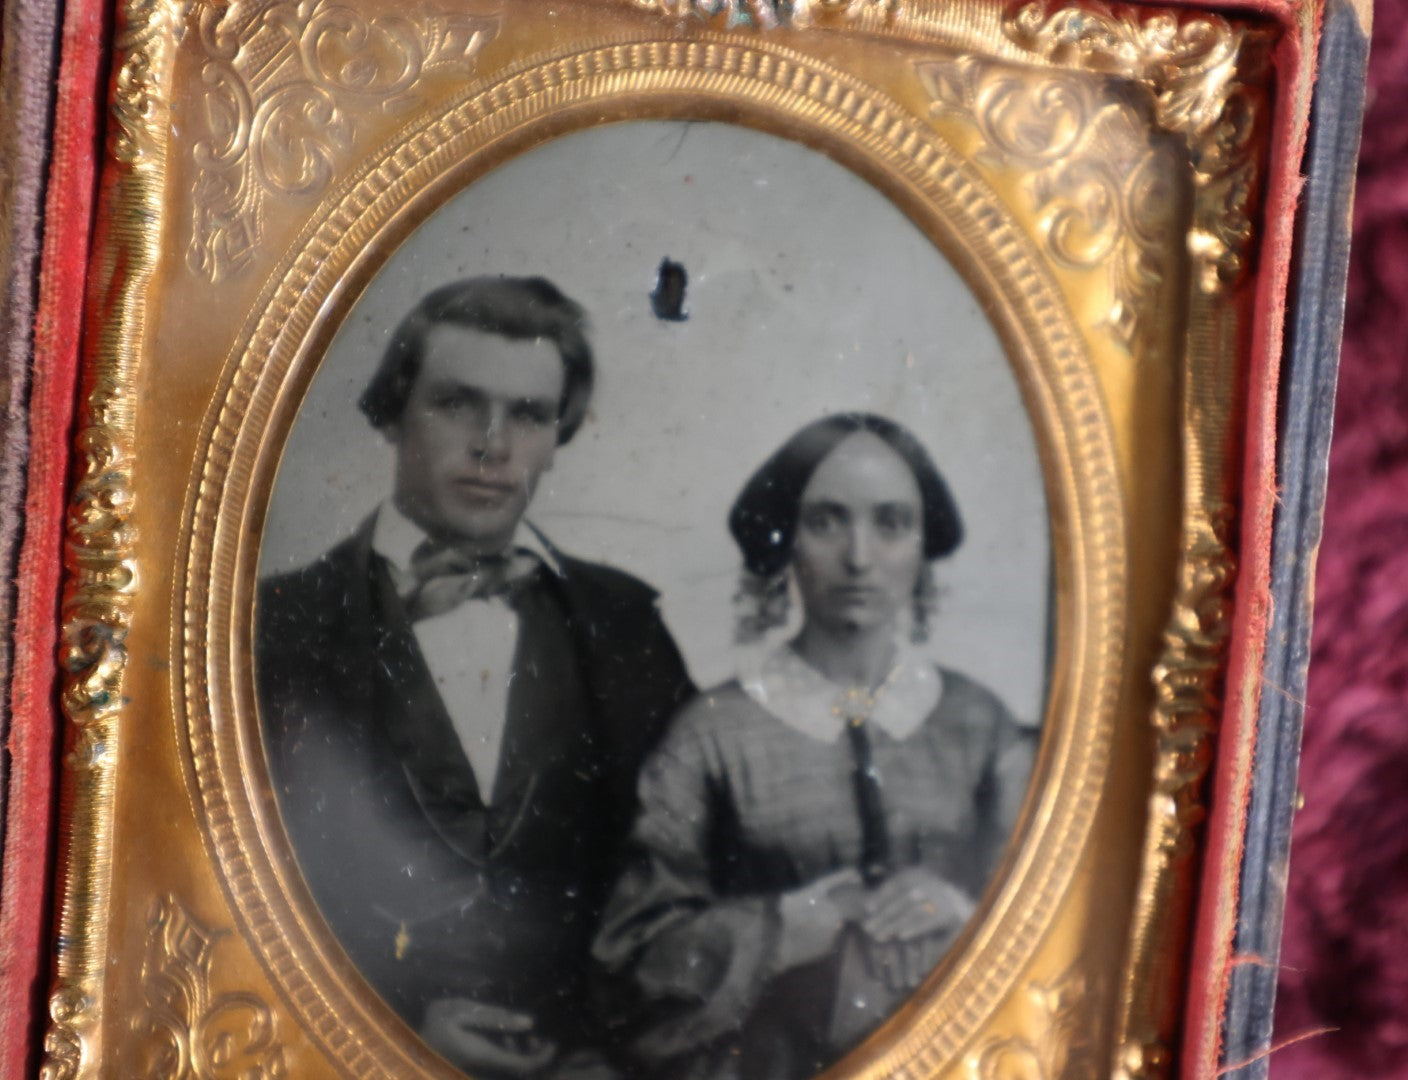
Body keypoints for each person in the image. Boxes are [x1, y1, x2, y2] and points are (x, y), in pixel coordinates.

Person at [256, 276, 695, 1078]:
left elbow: (687, 879)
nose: (493, 444)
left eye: (529, 414)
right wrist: (387, 1024)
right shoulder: (271, 628)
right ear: (393, 411)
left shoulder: (626, 623)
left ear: (559, 435)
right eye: (457, 404)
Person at [593, 413, 1035, 1079]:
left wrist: (963, 915)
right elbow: (630, 960)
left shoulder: (980, 726)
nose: (859, 557)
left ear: (922, 546)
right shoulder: (711, 733)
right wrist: (787, 925)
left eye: (891, 523)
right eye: (827, 521)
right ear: (785, 542)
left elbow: (1055, 922)